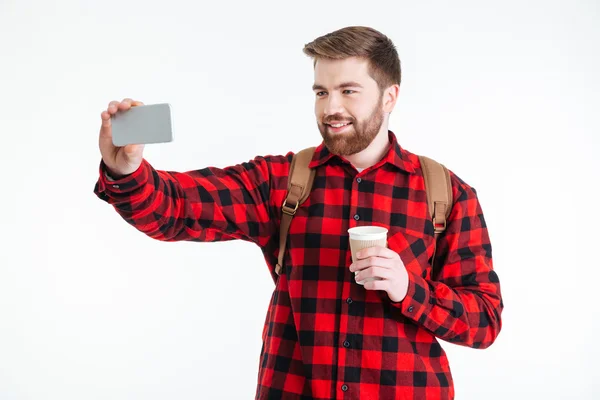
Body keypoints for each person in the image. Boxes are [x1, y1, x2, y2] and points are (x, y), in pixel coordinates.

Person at [94, 26, 503, 400]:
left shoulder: (446, 194)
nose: (331, 108)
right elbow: (177, 208)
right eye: (321, 92)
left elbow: (484, 321)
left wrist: (409, 289)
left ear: (390, 96)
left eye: (348, 91)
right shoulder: (284, 181)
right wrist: (126, 171)